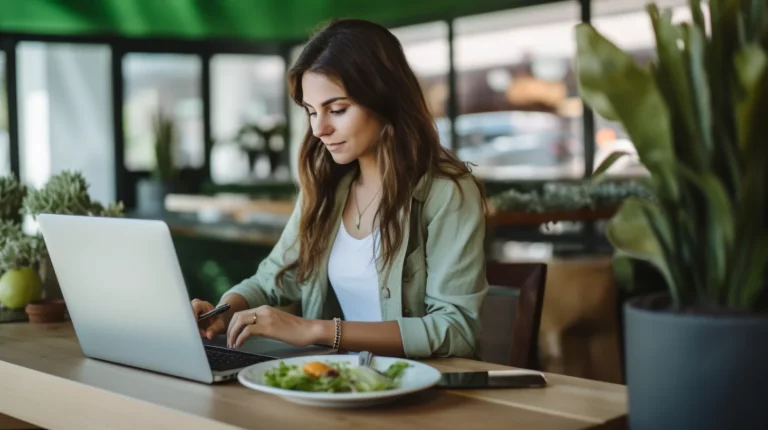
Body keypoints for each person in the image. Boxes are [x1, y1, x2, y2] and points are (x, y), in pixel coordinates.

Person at [191, 18, 488, 359]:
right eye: (311, 111)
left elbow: (457, 328)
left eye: (337, 109)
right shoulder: (326, 187)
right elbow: (273, 278)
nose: (319, 128)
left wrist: (316, 330)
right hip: (337, 383)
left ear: (385, 98)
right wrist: (225, 310)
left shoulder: (447, 193)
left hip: (421, 389)